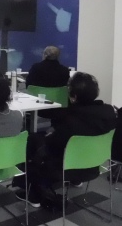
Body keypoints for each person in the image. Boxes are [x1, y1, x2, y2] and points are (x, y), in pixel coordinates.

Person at [15, 72, 117, 207]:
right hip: (94, 165)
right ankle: (75, 180)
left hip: (65, 168)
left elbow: (53, 144)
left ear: (73, 97)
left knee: (33, 141)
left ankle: (34, 194)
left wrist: (47, 136)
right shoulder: (110, 112)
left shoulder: (71, 118)